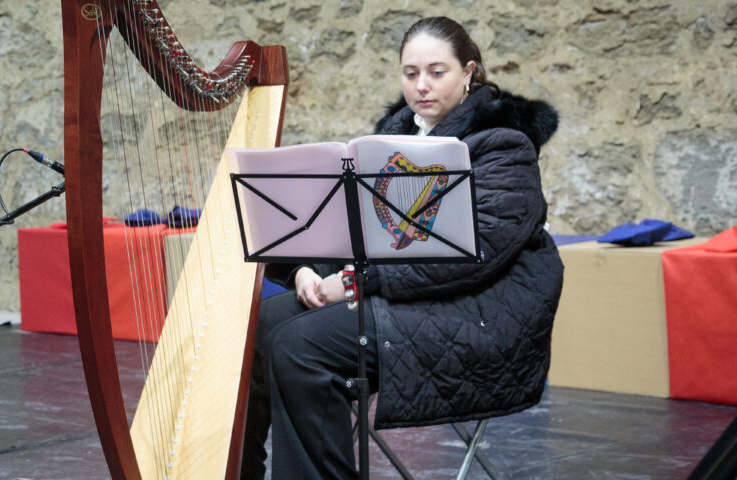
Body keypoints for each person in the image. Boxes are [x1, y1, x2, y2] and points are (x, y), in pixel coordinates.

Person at [241, 16, 563, 479]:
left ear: (469, 72)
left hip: (477, 312)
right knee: (262, 327)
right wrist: (304, 270)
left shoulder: (504, 146)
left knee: (300, 345)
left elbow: (479, 256)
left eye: (437, 72)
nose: (422, 86)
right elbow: (347, 222)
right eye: (411, 74)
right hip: (402, 295)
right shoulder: (393, 139)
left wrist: (356, 282)